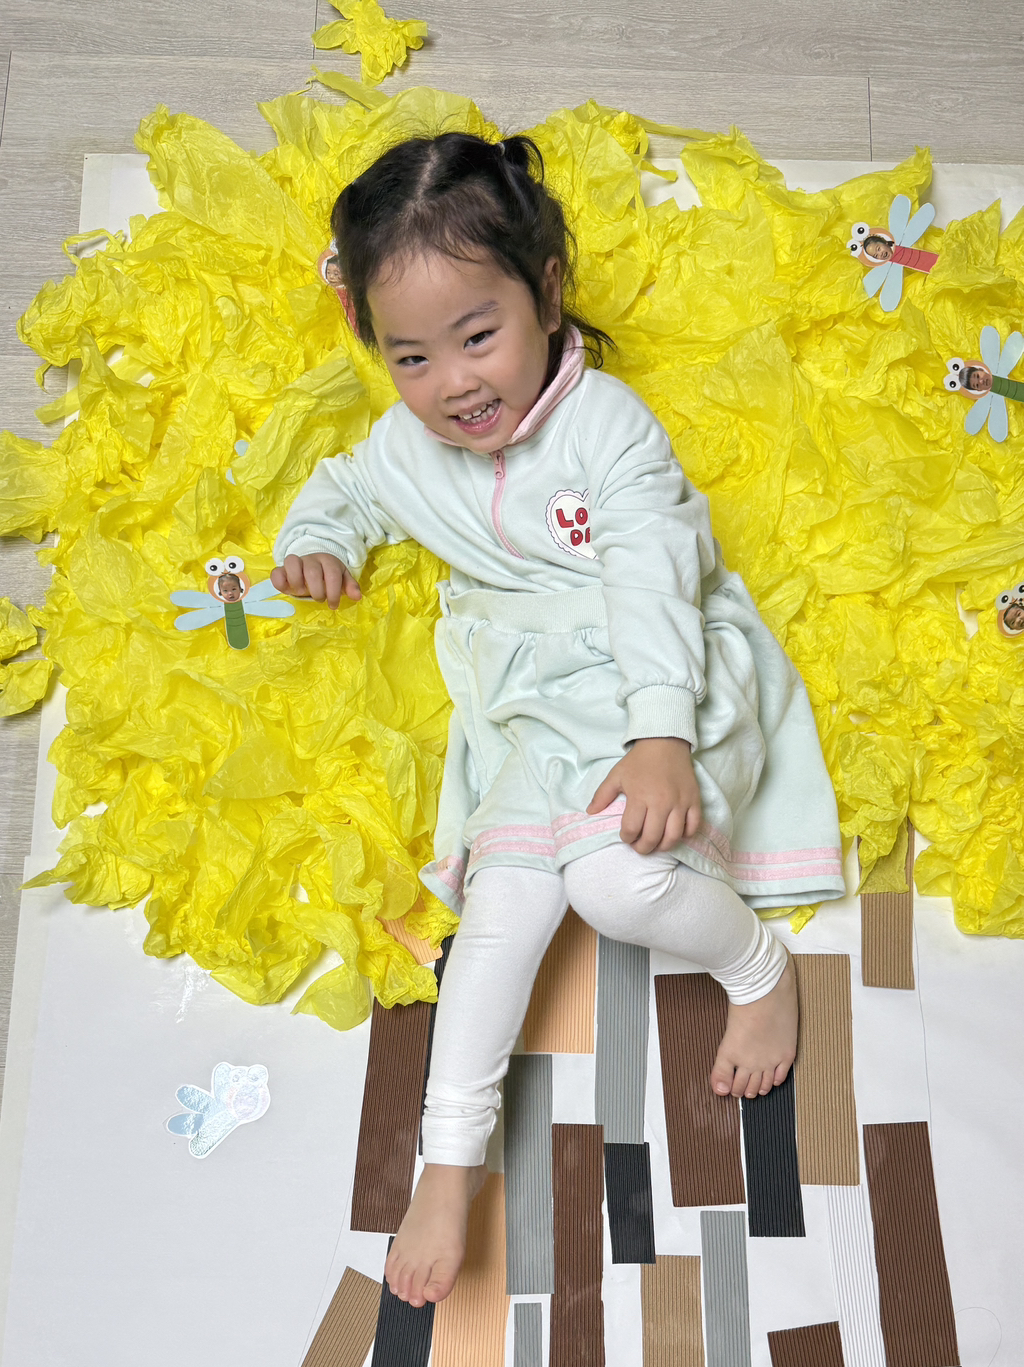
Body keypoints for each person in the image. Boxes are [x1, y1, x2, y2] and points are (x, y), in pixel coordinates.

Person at [271, 132, 842, 1306]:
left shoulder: (609, 430)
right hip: (531, 711)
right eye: (412, 357)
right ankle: (448, 1164)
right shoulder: (407, 445)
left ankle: (755, 965)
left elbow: (650, 581)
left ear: (546, 292)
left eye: (478, 336)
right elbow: (347, 488)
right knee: (498, 919)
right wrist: (318, 541)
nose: (454, 384)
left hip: (653, 672)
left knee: (615, 883)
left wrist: (660, 733)